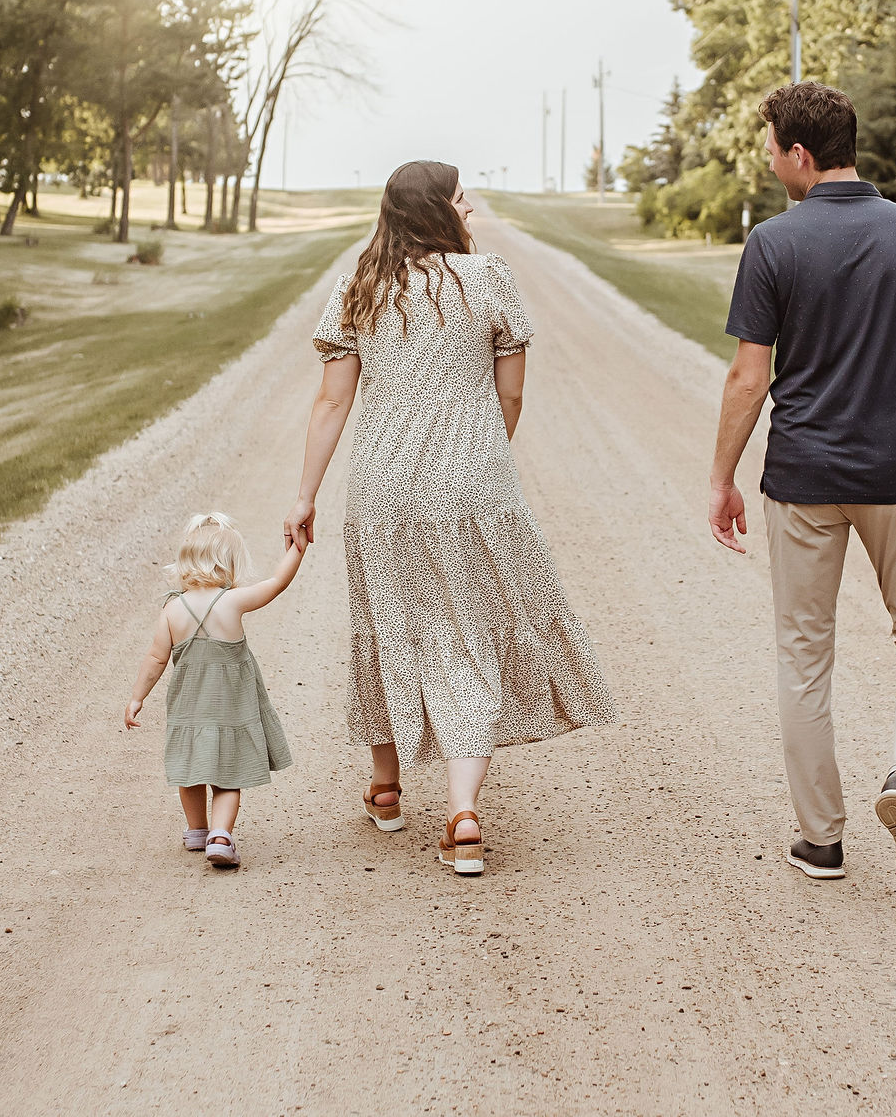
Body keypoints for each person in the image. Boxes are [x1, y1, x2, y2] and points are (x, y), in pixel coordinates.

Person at [708, 81, 896, 887]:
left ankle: (820, 839)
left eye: (772, 145)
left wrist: (722, 477)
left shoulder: (773, 243)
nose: (770, 158)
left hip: (803, 476)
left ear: (800, 154)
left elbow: (749, 378)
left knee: (803, 656)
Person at [286, 161, 614, 877]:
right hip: (473, 481)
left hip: (381, 486)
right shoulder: (488, 278)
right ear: (439, 209)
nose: (471, 207)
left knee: (387, 621)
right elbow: (513, 395)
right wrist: (478, 461)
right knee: (466, 632)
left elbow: (331, 403)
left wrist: (304, 494)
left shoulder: (360, 287)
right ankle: (463, 813)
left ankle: (386, 786)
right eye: (462, 197)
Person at [124, 512, 301, 869]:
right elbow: (278, 582)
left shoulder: (173, 609)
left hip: (189, 711)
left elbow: (156, 658)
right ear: (229, 565)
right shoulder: (232, 602)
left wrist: (137, 697)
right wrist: (297, 548)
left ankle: (196, 830)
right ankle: (220, 836)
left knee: (189, 769)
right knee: (227, 775)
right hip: (230, 711)